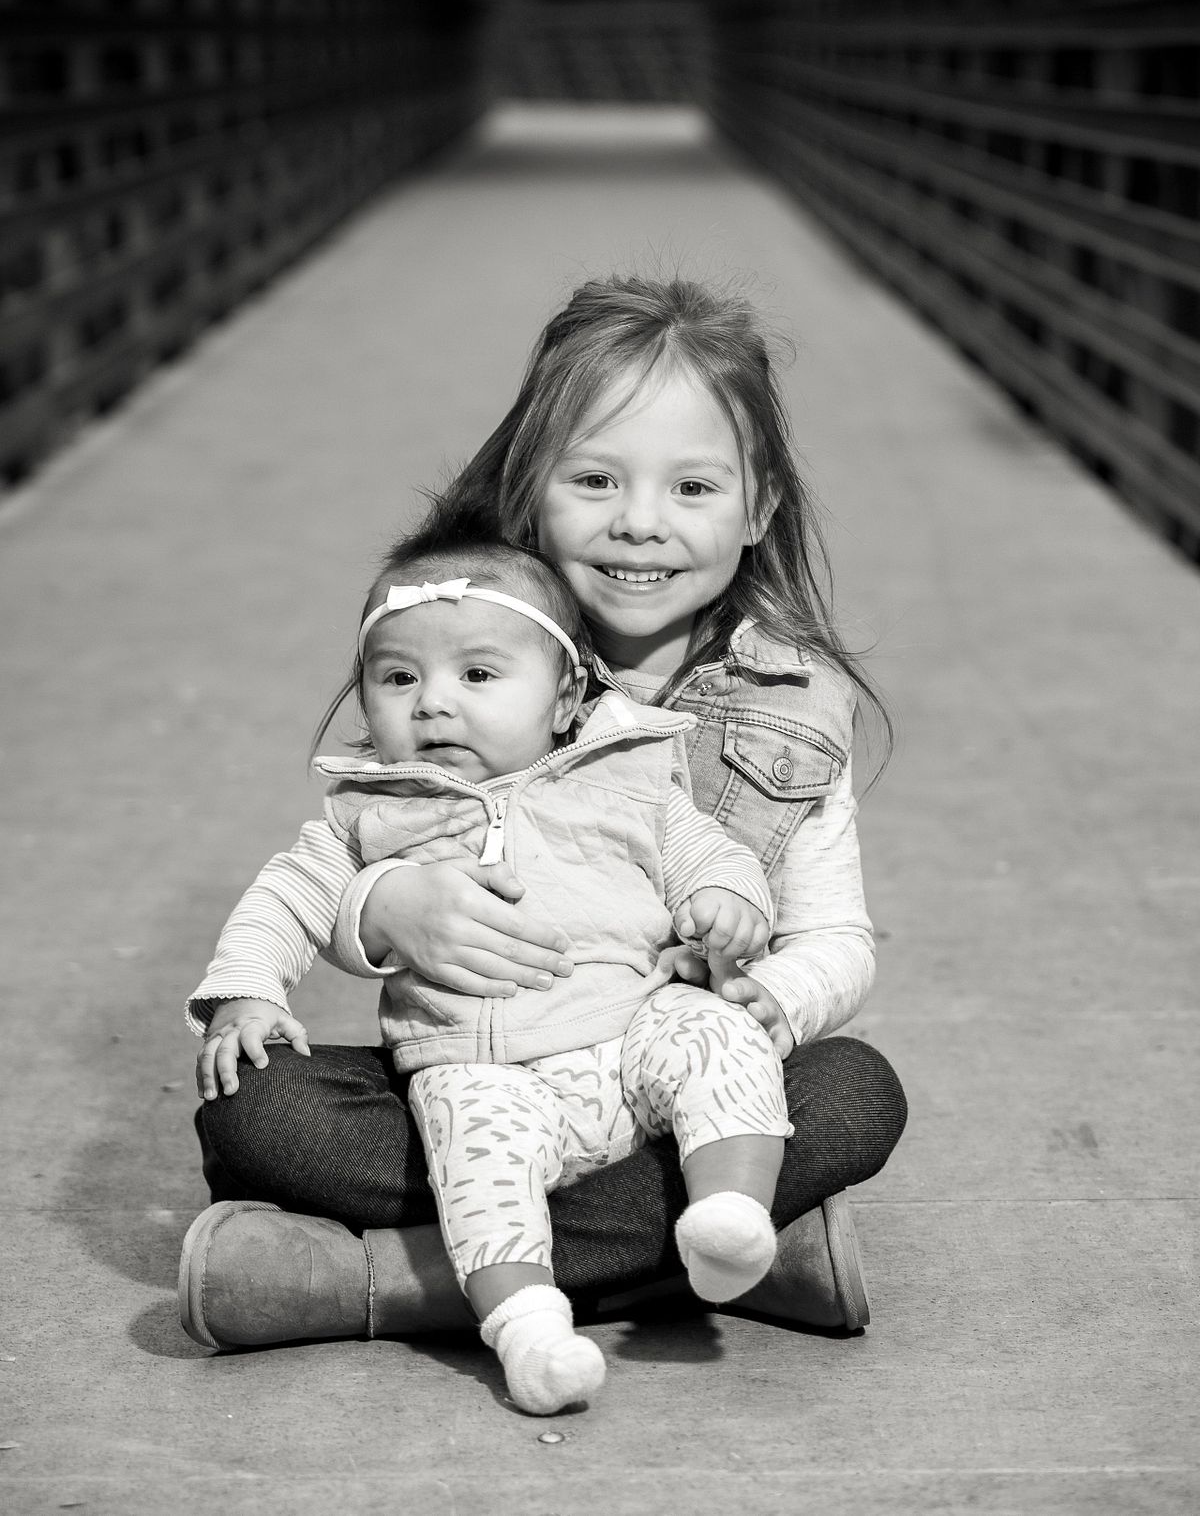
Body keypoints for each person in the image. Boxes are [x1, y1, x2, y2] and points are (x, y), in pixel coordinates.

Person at [181, 273, 907, 1360]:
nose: (641, 523)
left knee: (851, 1094)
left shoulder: (793, 707)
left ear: (758, 507)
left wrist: (764, 997)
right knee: (259, 1110)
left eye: (693, 487)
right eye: (597, 479)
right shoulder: (464, 642)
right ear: (531, 492)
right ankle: (724, 1257)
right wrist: (387, 908)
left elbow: (837, 938)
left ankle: (380, 1283)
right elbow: (340, 850)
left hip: (670, 1064)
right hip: (483, 1073)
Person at [183, 541, 795, 1413]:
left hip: (635, 1041)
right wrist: (247, 992)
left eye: (476, 675)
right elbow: (285, 897)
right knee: (406, 1138)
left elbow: (709, 853)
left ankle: (728, 1217)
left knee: (733, 1039)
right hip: (484, 1075)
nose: (433, 702)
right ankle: (532, 1329)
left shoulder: (626, 776)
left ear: (566, 698)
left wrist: (728, 902)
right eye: (399, 679)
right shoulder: (369, 813)